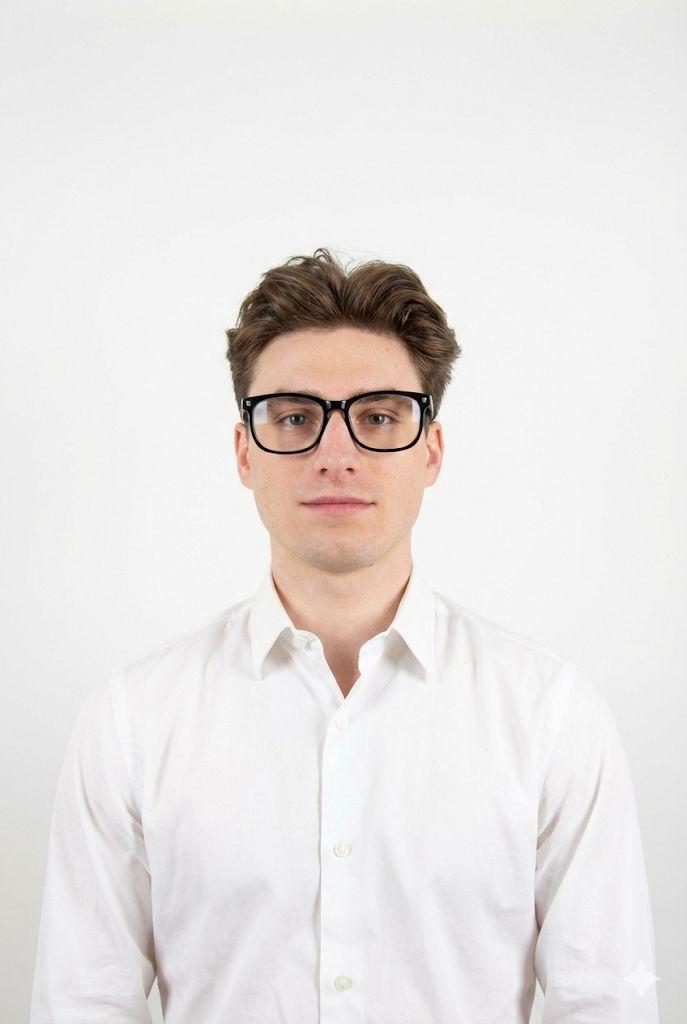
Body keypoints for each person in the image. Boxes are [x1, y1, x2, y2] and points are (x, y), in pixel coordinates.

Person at [29, 248, 660, 1023]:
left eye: (378, 417)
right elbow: (83, 1003)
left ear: (430, 452)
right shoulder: (133, 720)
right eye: (295, 417)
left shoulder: (548, 716)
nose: (336, 455)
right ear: (244, 452)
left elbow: (602, 1004)